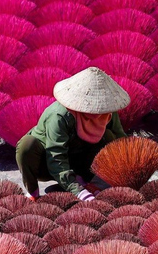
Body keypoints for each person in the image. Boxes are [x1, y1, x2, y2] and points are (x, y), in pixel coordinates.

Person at [16, 67, 129, 202]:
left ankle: (85, 181)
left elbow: (121, 139)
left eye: (101, 105)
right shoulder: (59, 115)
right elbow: (56, 156)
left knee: (110, 137)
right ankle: (33, 193)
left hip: (79, 161)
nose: (98, 110)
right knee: (26, 145)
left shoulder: (108, 110)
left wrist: (131, 169)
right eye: (93, 105)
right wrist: (78, 192)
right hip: (47, 164)